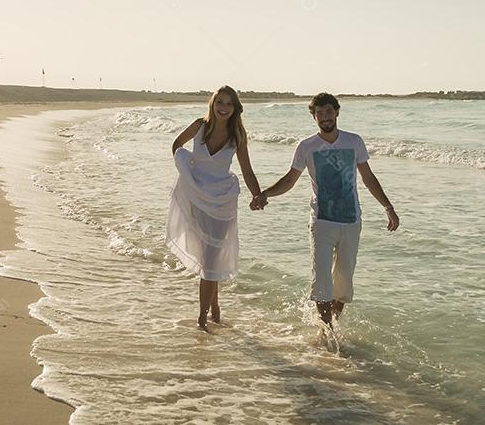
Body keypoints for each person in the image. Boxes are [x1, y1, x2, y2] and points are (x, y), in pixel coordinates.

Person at [252, 92, 399, 329]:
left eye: (329, 111)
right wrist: (265, 194)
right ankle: (327, 330)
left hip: (351, 222)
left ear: (337, 112)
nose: (325, 117)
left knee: (343, 283)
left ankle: (333, 324)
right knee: (322, 281)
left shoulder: (354, 142)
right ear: (314, 117)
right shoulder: (306, 146)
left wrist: (388, 207)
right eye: (319, 113)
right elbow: (290, 179)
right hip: (321, 223)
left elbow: (368, 177)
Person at [168, 85, 262, 331]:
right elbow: (177, 145)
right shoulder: (200, 126)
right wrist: (187, 171)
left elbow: (247, 170)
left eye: (229, 104)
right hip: (196, 198)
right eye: (220, 102)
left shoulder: (237, 137)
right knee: (208, 257)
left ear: (235, 108)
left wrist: (258, 195)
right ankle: (215, 308)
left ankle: (201, 318)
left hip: (221, 203)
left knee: (211, 259)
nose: (223, 108)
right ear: (213, 103)